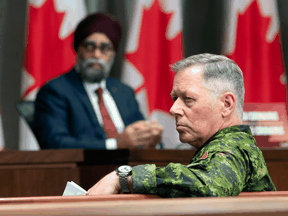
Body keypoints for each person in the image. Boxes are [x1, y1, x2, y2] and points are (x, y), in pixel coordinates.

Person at [86, 53, 276, 197]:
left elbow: (209, 185)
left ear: (226, 104)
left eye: (188, 99)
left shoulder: (232, 148)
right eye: (175, 98)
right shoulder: (223, 146)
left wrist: (123, 177)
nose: (173, 109)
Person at [33, 12, 163, 149]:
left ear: (113, 54)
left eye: (105, 48)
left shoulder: (124, 92)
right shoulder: (55, 91)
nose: (96, 54)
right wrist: (116, 144)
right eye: (89, 47)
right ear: (77, 49)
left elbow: (139, 136)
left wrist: (151, 140)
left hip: (131, 168)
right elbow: (55, 143)